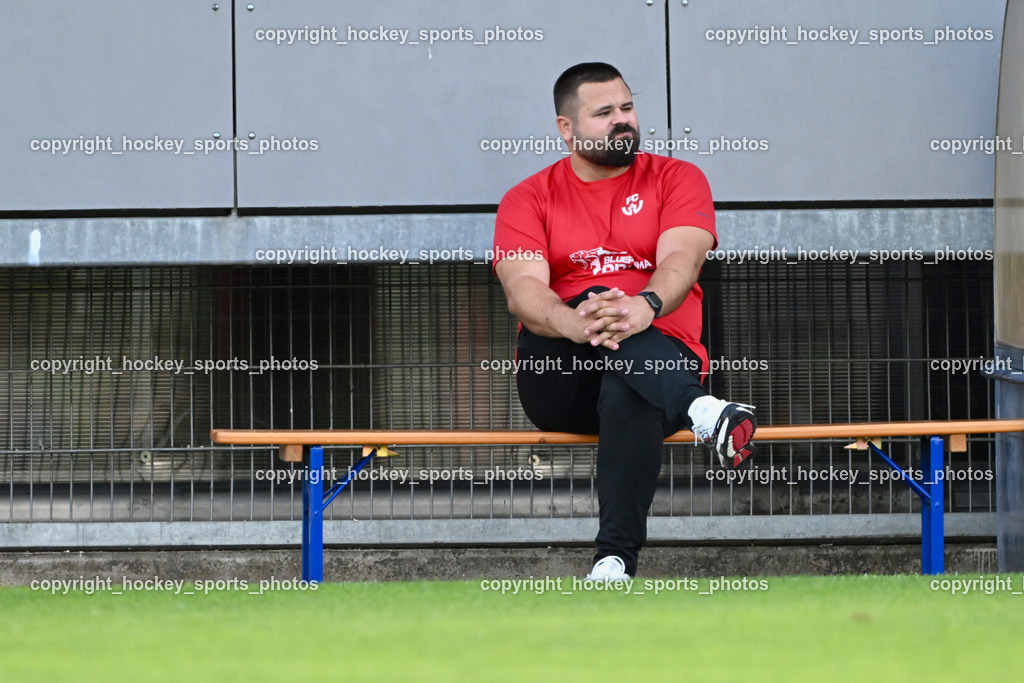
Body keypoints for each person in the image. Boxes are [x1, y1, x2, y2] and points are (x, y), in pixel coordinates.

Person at [491, 62, 757, 581]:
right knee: (592, 298)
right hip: (558, 374)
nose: (623, 121)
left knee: (628, 390)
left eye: (628, 108)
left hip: (658, 360)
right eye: (605, 112)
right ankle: (702, 409)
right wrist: (575, 323)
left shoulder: (678, 178)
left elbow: (683, 257)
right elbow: (523, 290)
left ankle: (613, 564)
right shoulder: (527, 198)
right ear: (566, 128)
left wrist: (646, 307)